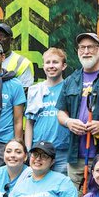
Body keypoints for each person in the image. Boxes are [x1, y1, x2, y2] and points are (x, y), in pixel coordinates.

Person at [57, 32, 99, 191]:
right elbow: (61, 112)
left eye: (90, 47)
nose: (86, 51)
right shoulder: (71, 80)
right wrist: (69, 122)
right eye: (82, 47)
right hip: (76, 156)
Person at [25, 47, 71, 176]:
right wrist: (29, 151)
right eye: (48, 62)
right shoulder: (35, 90)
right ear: (43, 65)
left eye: (55, 62)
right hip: (39, 151)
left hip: (62, 151)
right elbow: (29, 123)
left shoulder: (70, 88)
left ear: (64, 66)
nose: (51, 66)